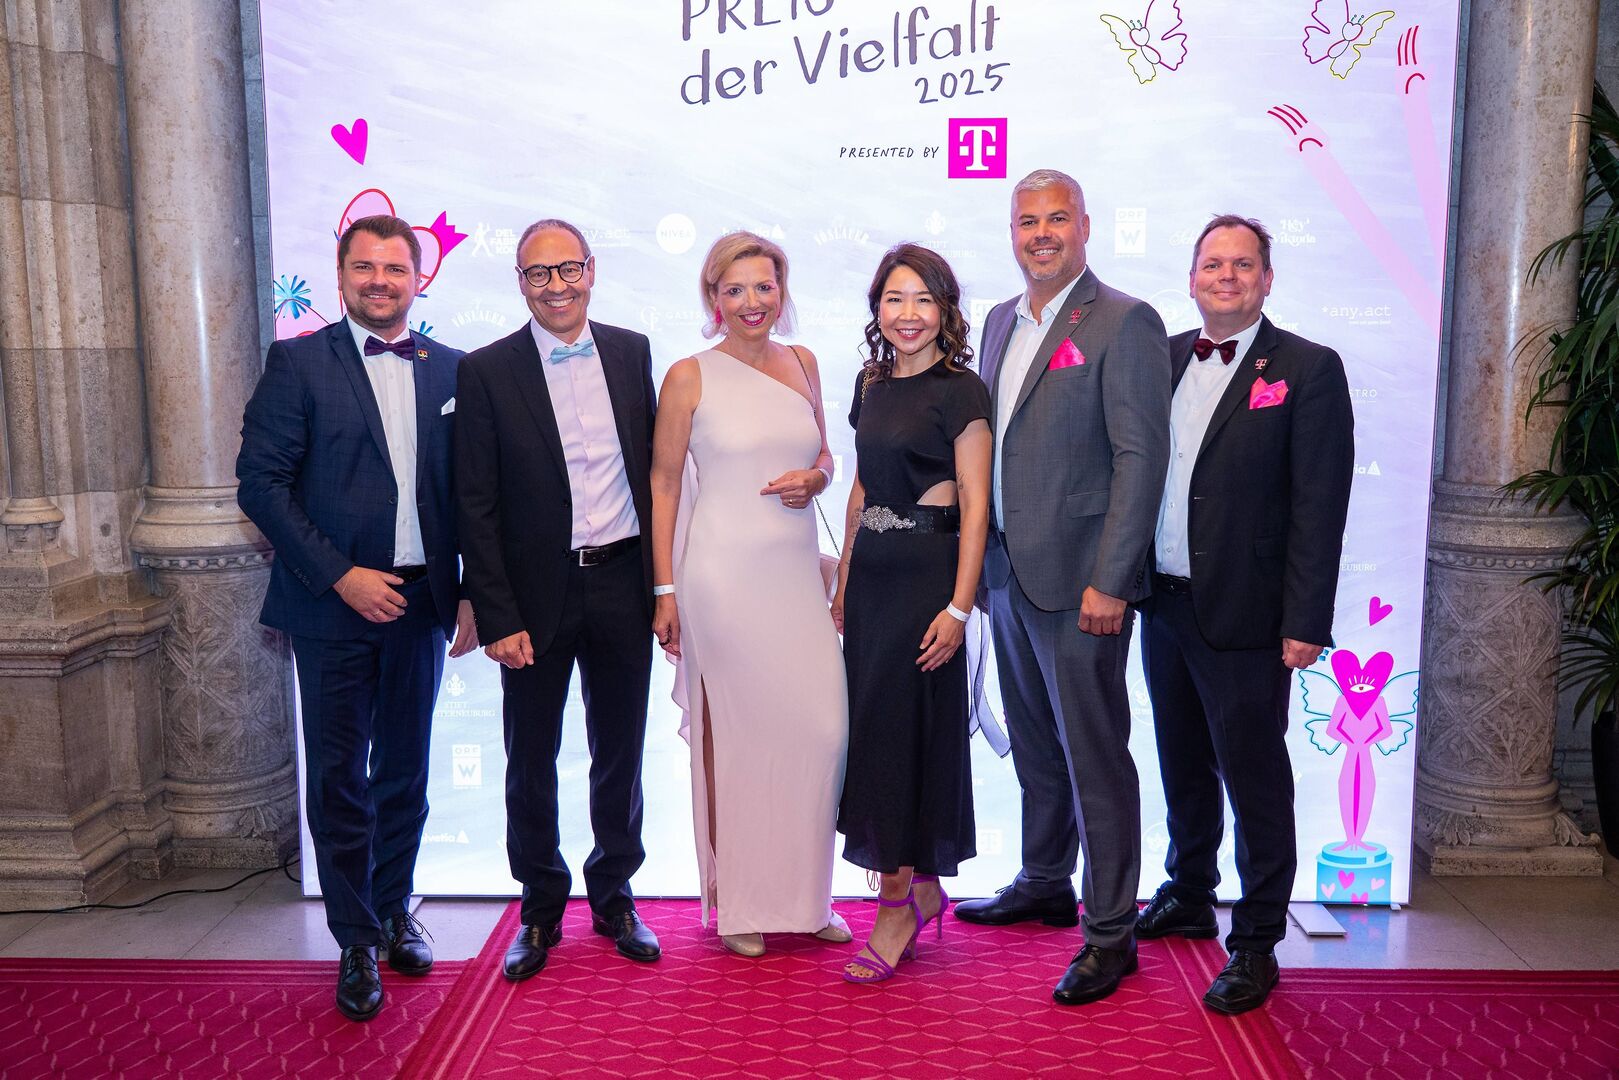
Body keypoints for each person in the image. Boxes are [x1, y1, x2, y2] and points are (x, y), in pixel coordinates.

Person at [237, 214, 477, 1022]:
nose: (380, 281)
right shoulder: (298, 362)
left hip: (421, 602)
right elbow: (260, 483)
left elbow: (471, 495)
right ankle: (353, 938)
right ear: (340, 277)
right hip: (331, 605)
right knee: (341, 778)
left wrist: (472, 592)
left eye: (395, 268)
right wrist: (341, 576)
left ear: (419, 279)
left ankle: (393, 909)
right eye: (365, 268)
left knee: (404, 771)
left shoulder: (454, 370)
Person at [952, 169, 1172, 1007]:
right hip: (1008, 572)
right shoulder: (1000, 321)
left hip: (1082, 584)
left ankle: (1110, 933)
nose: (1040, 234)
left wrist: (1111, 580)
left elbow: (1139, 458)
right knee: (1037, 744)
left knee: (1093, 757)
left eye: (1055, 219)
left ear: (1084, 225)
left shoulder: (1123, 319)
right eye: (1026, 221)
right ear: (1011, 232)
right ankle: (1044, 878)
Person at [1138, 214, 1354, 1014]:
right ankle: (1188, 889)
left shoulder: (1307, 367)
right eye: (1211, 264)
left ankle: (1257, 941)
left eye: (1241, 265)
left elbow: (1318, 507)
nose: (1224, 277)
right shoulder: (1160, 359)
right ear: (1191, 277)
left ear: (1265, 279)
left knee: (1254, 779)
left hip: (1250, 613)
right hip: (1163, 600)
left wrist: (1305, 621)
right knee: (1181, 760)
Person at [455, 219, 661, 981]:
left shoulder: (632, 352)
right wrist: (496, 614)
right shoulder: (485, 370)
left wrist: (665, 587)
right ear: (520, 283)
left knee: (620, 751)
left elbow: (659, 475)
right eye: (538, 273)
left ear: (591, 270)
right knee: (530, 758)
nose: (556, 286)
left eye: (568, 269)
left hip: (623, 580)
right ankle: (540, 907)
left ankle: (614, 895)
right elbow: (474, 503)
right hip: (533, 596)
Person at [649, 231, 850, 958]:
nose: (751, 302)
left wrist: (818, 477)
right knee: (737, 740)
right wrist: (665, 589)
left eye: (764, 286)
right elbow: (664, 483)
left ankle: (805, 900)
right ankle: (740, 901)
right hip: (722, 581)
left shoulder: (804, 363)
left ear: (782, 289)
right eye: (733, 289)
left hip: (794, 580)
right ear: (713, 298)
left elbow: (823, 452)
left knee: (822, 732)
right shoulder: (688, 376)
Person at [832, 244, 992, 983]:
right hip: (871, 585)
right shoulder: (869, 384)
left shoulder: (961, 391)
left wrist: (959, 607)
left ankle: (895, 905)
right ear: (877, 309)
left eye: (923, 299)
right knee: (876, 737)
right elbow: (862, 489)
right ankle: (919, 887)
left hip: (927, 584)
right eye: (894, 299)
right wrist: (843, 582)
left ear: (945, 310)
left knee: (906, 740)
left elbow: (976, 506)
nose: (907, 314)